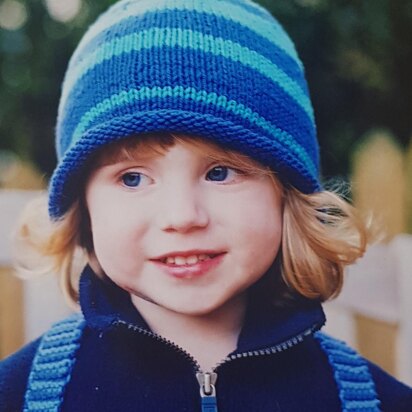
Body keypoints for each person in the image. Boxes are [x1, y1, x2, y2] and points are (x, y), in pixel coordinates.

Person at [1, 0, 411, 410]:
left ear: (287, 192)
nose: (182, 217)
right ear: (83, 209)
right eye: (132, 178)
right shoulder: (20, 394)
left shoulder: (372, 401)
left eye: (220, 173)